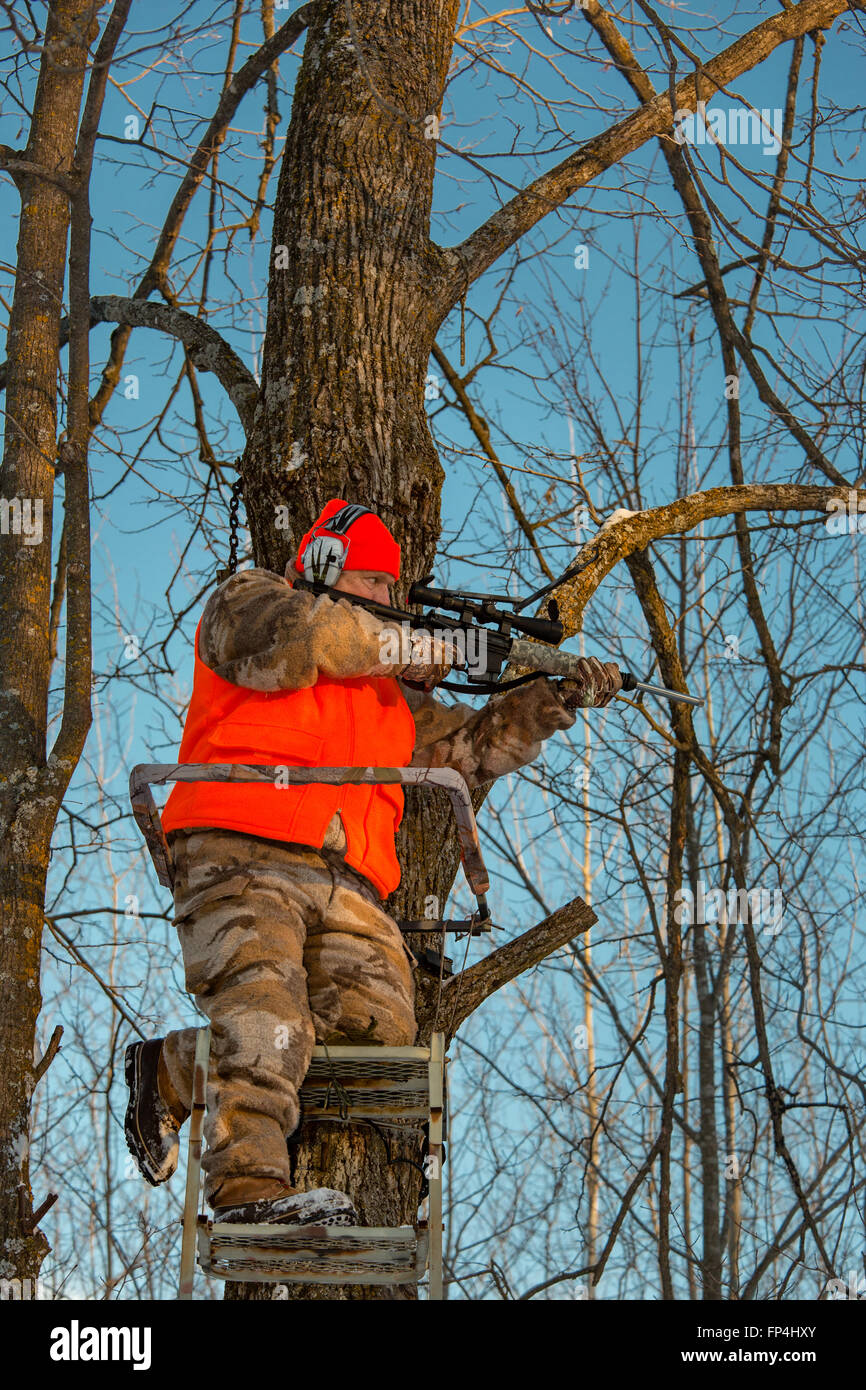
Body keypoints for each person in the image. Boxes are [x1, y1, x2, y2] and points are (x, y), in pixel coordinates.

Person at [124, 499, 621, 1227]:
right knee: (263, 1017)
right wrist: (428, 650)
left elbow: (477, 747)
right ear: (324, 567)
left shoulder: (390, 704)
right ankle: (246, 1192)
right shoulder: (253, 601)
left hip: (349, 883)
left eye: (396, 593)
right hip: (240, 849)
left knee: (376, 1035)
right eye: (380, 585)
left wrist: (545, 699)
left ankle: (171, 1069)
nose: (395, 604)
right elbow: (307, 638)